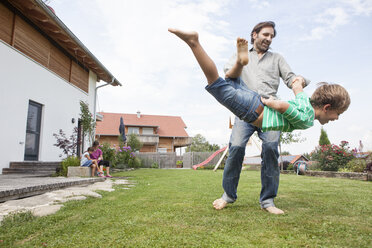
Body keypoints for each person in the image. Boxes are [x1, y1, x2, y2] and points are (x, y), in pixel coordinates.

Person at [168, 27, 350, 214]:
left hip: (260, 104)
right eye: (266, 34)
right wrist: (273, 101)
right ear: (255, 35)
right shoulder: (307, 118)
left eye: (272, 36)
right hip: (259, 108)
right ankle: (196, 43)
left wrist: (299, 80)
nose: (269, 38)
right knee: (220, 90)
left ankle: (268, 201)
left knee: (270, 148)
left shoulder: (281, 65)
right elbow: (285, 107)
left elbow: (294, 82)